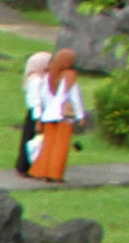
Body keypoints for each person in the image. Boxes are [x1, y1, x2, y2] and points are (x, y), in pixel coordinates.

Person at [26, 52, 85, 183]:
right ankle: (56, 174)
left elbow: (43, 97)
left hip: (48, 115)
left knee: (48, 146)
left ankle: (42, 172)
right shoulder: (69, 76)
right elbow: (75, 97)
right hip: (64, 116)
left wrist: (41, 115)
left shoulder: (48, 77)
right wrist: (80, 115)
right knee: (61, 146)